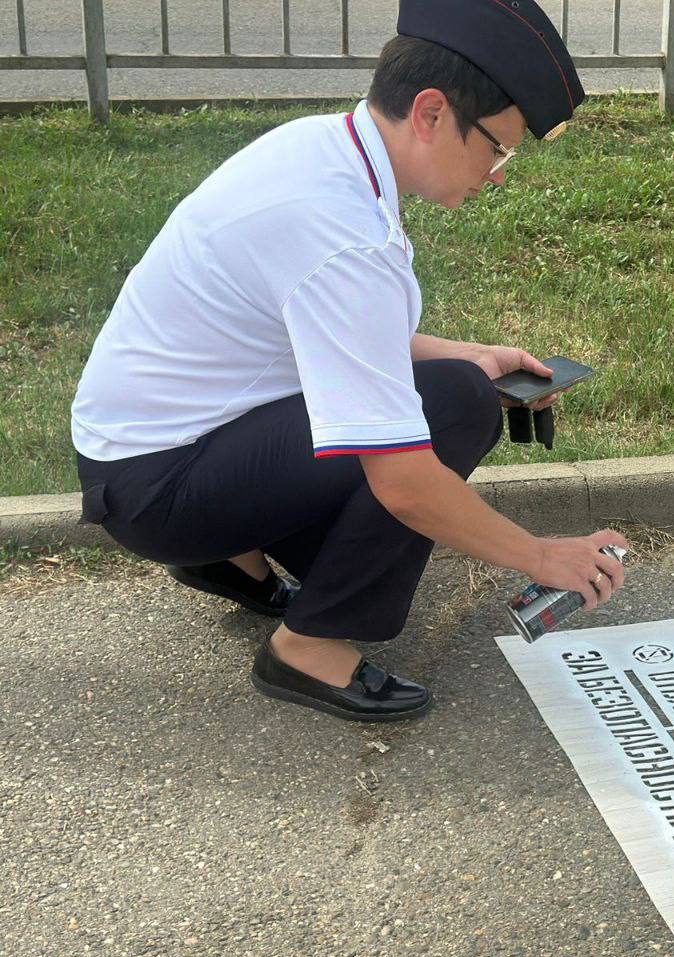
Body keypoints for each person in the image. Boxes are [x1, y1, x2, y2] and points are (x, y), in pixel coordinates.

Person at [69, 0, 627, 723]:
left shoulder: (325, 148)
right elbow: (402, 484)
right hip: (161, 485)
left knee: (457, 380)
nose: (496, 175)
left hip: (150, 454)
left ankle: (232, 556)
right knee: (453, 406)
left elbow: (328, 331)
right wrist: (540, 558)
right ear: (431, 112)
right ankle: (308, 646)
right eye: (498, 148)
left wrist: (472, 353)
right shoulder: (345, 236)